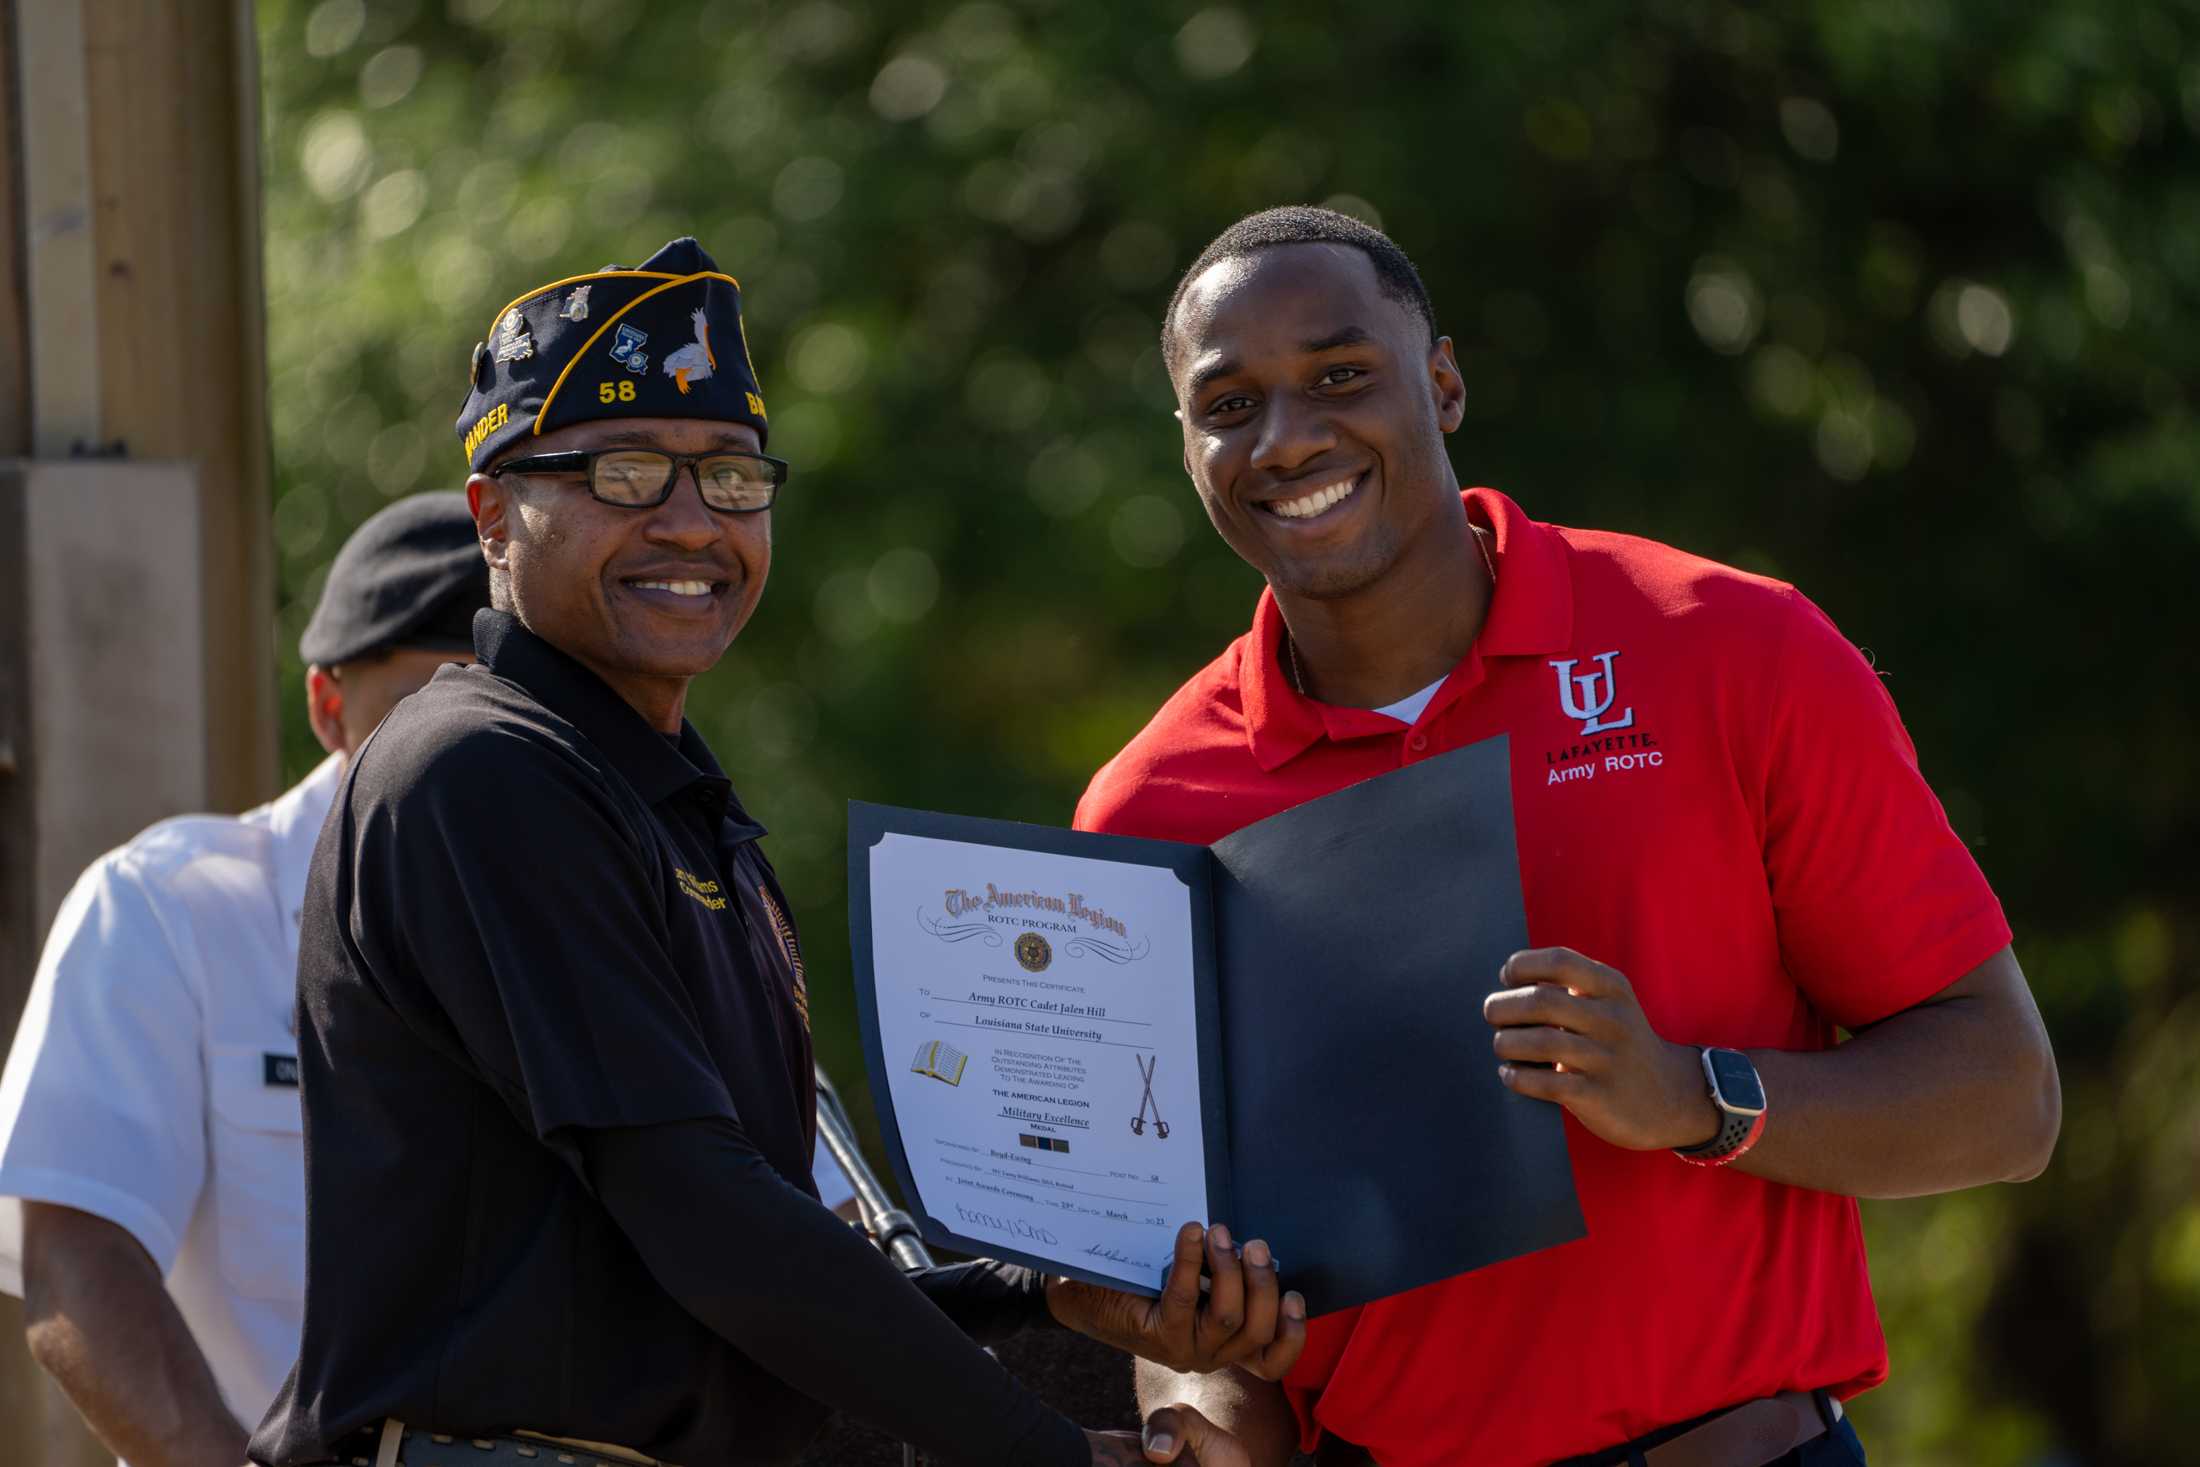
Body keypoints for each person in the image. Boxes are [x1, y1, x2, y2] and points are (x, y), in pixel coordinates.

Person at [248, 238, 1303, 1467]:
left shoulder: (680, 813)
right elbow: (706, 1216)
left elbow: (715, 1285)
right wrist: (1048, 1455)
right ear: (493, 514)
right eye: (626, 473)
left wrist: (1039, 1294)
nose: (692, 525)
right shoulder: (480, 768)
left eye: (733, 479)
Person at [1077, 206, 2062, 1467]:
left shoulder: (1730, 648)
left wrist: (1697, 1099)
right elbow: (1158, 1286)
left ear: (1443, 382)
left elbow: (2006, 1099)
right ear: (1185, 444)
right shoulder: (1146, 810)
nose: (1287, 438)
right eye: (1227, 405)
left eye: (1340, 375)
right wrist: (1199, 1418)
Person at [0, 493, 491, 1467]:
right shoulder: (171, 908)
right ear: (326, 706)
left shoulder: (637, 919)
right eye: (427, 713)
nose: (471, 763)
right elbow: (78, 1252)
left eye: (510, 720)